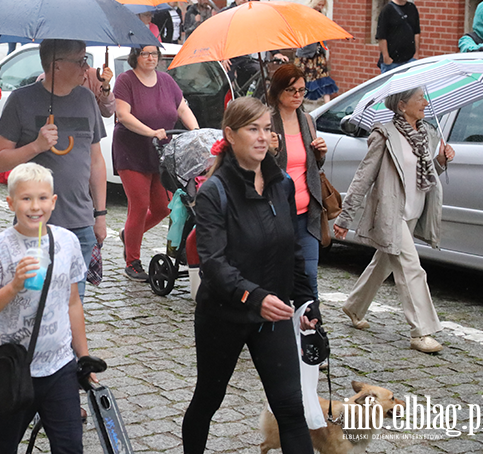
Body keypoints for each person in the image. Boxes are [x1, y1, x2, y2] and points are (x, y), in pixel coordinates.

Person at [182, 97, 320, 454]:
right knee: (208, 399)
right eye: (253, 129)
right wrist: (254, 297)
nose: (263, 137)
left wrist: (307, 303)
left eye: (267, 129)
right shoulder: (215, 191)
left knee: (291, 408)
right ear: (230, 134)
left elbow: (293, 251)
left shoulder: (282, 184)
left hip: (272, 316)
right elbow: (213, 263)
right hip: (224, 316)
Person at [0, 162, 91, 454]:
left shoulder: (67, 242)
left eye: (41, 198)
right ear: (11, 202)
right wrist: (13, 286)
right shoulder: (0, 247)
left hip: (59, 365)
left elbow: (73, 302)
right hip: (14, 367)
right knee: (2, 445)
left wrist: (84, 356)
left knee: (70, 446)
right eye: (26, 199)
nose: (34, 206)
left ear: (53, 202)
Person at [334, 87, 454, 353]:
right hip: (392, 214)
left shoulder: (427, 134)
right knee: (412, 268)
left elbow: (426, 173)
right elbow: (363, 176)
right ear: (402, 105)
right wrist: (345, 217)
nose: (424, 102)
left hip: (414, 210)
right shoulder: (385, 135)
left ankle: (354, 306)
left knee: (383, 262)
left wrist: (441, 161)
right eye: (419, 98)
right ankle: (420, 332)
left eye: (424, 97)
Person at [0, 39, 107, 298]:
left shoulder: (88, 100)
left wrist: (99, 216)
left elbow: (97, 161)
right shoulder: (21, 101)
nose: (86, 68)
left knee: (72, 304)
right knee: (34, 302)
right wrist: (36, 146)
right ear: (56, 66)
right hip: (35, 224)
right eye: (80, 61)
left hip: (80, 225)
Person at [114, 44, 199, 281]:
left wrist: (196, 132)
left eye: (154, 53)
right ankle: (132, 262)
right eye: (145, 53)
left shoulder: (166, 81)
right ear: (136, 56)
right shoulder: (126, 80)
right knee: (139, 205)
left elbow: (183, 108)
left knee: (162, 207)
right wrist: (150, 131)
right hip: (132, 151)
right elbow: (123, 115)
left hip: (160, 152)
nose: (150, 57)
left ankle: (128, 235)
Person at [267, 65, 327, 296]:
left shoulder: (308, 121)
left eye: (302, 90)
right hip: (277, 214)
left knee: (309, 276)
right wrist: (269, 150)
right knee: (278, 275)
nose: (298, 96)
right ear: (278, 91)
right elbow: (255, 169)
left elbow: (311, 166)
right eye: (291, 90)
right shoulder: (266, 121)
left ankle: (311, 326)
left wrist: (319, 154)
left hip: (307, 213)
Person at [293, 0, 338, 103]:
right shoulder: (305, 14)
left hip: (318, 51)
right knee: (300, 78)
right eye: (319, 4)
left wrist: (326, 49)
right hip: (305, 51)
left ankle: (328, 103)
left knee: (323, 77)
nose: (320, 7)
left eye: (322, 5)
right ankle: (299, 101)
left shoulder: (322, 15)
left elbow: (323, 34)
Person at [376, 0, 419, 73]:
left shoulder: (412, 8)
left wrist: (416, 54)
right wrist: (386, 57)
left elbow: (416, 32)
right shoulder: (387, 10)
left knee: (413, 87)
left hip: (410, 60)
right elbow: (381, 36)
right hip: (392, 62)